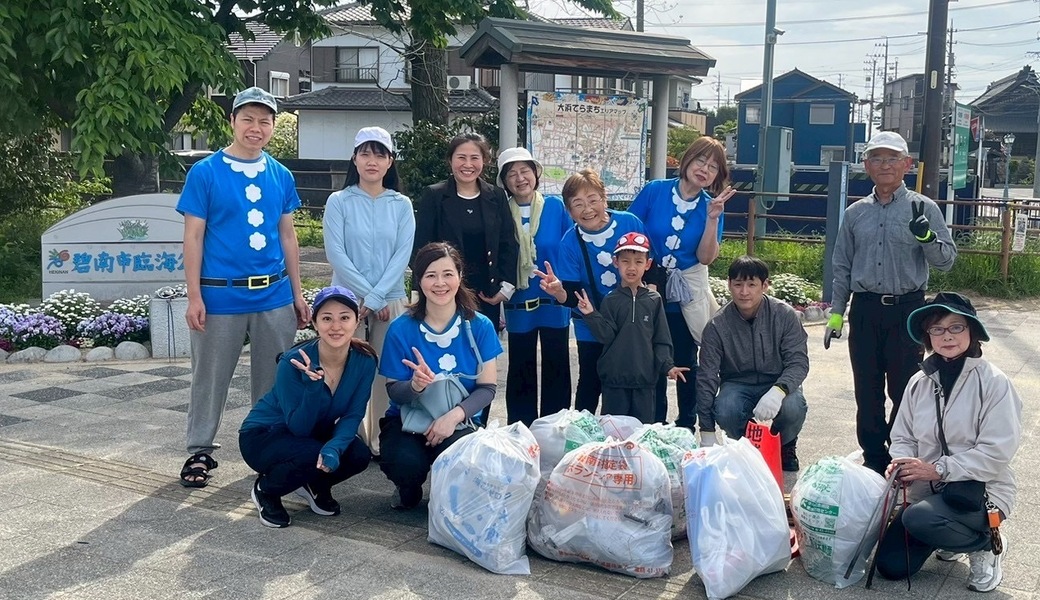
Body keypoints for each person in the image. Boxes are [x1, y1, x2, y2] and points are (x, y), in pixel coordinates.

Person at [176, 86, 310, 487]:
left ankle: (268, 448)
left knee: (275, 379)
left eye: (264, 120)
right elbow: (193, 237)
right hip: (220, 293)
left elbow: (287, 236)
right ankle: (199, 450)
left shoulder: (280, 174)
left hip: (273, 292)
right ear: (232, 121)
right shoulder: (205, 172)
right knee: (210, 375)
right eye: (248, 119)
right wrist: (194, 295)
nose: (256, 127)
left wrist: (298, 293)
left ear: (273, 126)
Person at [825, 131, 957, 475]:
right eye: (877, 159)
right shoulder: (855, 214)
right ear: (866, 166)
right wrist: (837, 313)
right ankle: (872, 458)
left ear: (907, 165)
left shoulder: (924, 208)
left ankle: (900, 453)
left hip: (908, 310)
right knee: (866, 389)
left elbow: (946, 260)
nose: (885, 166)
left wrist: (925, 235)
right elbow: (841, 265)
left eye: (893, 159)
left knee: (905, 388)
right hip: (865, 308)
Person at [876, 292, 1021, 593]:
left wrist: (938, 469)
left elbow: (997, 452)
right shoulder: (920, 381)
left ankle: (986, 544)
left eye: (956, 327)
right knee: (890, 567)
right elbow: (902, 435)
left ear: (972, 330)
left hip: (981, 491)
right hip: (927, 494)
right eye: (937, 329)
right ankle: (950, 537)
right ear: (928, 336)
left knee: (919, 518)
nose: (947, 336)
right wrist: (901, 463)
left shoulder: (994, 382)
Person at [377, 242, 503, 509]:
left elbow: (487, 388)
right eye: (430, 275)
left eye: (448, 274)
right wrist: (415, 386)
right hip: (408, 420)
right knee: (405, 464)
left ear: (459, 277)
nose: (440, 283)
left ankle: (449, 485)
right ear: (419, 281)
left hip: (458, 421)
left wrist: (452, 417)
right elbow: (393, 390)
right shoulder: (401, 328)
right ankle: (407, 486)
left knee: (463, 463)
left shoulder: (480, 326)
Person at [239, 286, 376, 528]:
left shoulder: (364, 361)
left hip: (311, 433)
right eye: (326, 318)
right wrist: (313, 388)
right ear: (314, 322)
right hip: (264, 435)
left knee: (357, 454)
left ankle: (315, 483)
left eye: (345, 318)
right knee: (312, 452)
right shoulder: (293, 362)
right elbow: (298, 427)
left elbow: (353, 414)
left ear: (356, 322)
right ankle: (266, 490)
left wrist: (333, 448)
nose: (336, 326)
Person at [628, 136, 735, 427]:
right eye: (701, 160)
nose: (704, 169)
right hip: (649, 285)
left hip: (685, 292)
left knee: (686, 357)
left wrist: (713, 218)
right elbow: (630, 231)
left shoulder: (710, 205)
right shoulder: (655, 191)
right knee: (651, 358)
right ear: (687, 160)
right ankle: (653, 422)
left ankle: (687, 422)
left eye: (713, 167)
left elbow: (705, 257)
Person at [323, 127, 415, 458]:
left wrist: (377, 299)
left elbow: (402, 256)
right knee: (342, 369)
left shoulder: (401, 204)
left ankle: (381, 439)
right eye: (365, 153)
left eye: (380, 154)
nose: (372, 161)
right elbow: (336, 253)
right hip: (346, 300)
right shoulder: (339, 201)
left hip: (389, 297)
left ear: (390, 161)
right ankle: (349, 438)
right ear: (354, 158)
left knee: (386, 371)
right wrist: (364, 297)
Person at [536, 169, 650, 415]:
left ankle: (640, 433)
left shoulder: (629, 223)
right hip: (591, 324)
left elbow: (651, 268)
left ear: (604, 198)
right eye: (577, 204)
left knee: (639, 380)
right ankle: (582, 436)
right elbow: (572, 295)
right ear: (569, 210)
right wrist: (558, 292)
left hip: (632, 321)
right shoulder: (569, 242)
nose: (587, 209)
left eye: (592, 200)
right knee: (590, 379)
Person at [695, 256, 809, 471]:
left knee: (794, 407)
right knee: (726, 408)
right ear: (729, 284)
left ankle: (784, 444)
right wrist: (706, 430)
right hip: (738, 383)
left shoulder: (785, 315)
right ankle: (745, 446)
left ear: (764, 285)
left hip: (777, 380)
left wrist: (779, 390)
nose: (744, 292)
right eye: (738, 284)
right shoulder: (717, 326)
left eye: (751, 284)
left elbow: (798, 362)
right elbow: (707, 377)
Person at [576, 232, 688, 423]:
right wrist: (590, 314)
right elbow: (606, 335)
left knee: (641, 433)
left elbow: (661, 339)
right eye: (626, 261)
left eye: (638, 261)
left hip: (645, 380)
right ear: (615, 262)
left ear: (648, 264)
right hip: (614, 380)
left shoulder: (654, 300)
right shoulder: (611, 300)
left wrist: (668, 365)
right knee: (614, 433)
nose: (631, 267)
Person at [497, 147, 573, 426]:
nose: (520, 178)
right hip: (518, 298)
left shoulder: (555, 206)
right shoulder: (501, 210)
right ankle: (521, 429)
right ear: (504, 182)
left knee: (557, 364)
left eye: (525, 171)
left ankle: (555, 428)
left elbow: (568, 247)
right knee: (520, 366)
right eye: (512, 174)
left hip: (554, 297)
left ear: (536, 174)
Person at [413, 132, 518, 331]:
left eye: (474, 158)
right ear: (450, 160)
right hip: (444, 293)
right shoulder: (434, 196)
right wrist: (424, 290)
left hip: (486, 295)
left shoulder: (496, 196)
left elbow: (508, 243)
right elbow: (421, 248)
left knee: (482, 354)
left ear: (484, 161)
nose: (467, 164)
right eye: (461, 157)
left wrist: (506, 287)